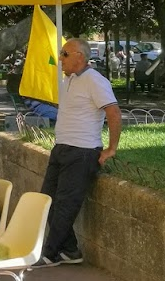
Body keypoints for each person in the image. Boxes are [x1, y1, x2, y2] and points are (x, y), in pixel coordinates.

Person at [34, 38, 122, 269]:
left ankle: (50, 254)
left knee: (65, 204)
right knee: (48, 200)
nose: (60, 59)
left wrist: (111, 148)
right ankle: (70, 250)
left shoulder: (95, 81)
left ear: (80, 56)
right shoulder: (70, 79)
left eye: (65, 54)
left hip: (82, 151)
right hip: (62, 147)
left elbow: (113, 112)